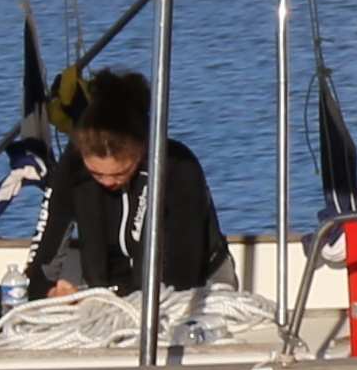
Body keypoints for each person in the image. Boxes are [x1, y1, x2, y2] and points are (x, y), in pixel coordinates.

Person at [17, 68, 226, 300]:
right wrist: (49, 291)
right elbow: (45, 252)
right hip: (115, 290)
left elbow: (185, 268)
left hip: (197, 286)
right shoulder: (72, 170)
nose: (108, 182)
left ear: (141, 151)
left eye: (119, 174)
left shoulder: (178, 168)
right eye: (96, 174)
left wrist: (136, 304)